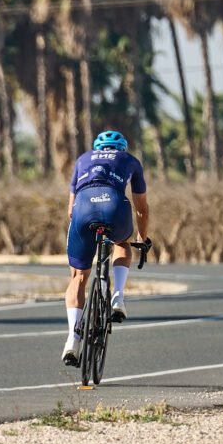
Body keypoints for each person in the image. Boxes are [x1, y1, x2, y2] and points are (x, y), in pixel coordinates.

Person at [62, 130, 151, 366]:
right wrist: (142, 237)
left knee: (78, 276)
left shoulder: (83, 159)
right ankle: (118, 297)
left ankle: (72, 338)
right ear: (121, 148)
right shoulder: (130, 160)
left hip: (83, 209)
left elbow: (71, 210)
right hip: (114, 207)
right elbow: (141, 208)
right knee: (123, 243)